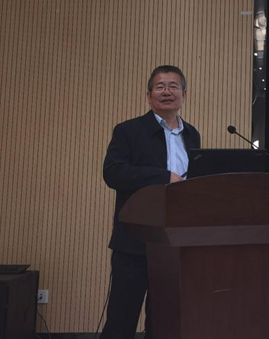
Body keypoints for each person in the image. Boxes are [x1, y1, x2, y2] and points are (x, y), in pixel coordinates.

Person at [100, 65, 201, 339]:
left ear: (184, 94)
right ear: (148, 95)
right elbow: (113, 172)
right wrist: (163, 177)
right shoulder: (128, 131)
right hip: (135, 240)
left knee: (165, 321)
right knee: (121, 320)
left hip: (175, 242)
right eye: (160, 86)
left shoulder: (192, 134)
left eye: (173, 86)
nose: (167, 92)